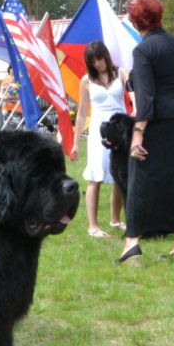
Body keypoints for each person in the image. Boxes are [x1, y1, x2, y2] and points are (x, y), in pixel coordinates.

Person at [118, 0, 174, 266]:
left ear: (136, 21)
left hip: (154, 121)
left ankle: (132, 243)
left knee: (139, 179)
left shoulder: (142, 50)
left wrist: (138, 133)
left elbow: (146, 97)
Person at [70, 40, 129, 238]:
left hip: (120, 130)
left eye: (99, 59)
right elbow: (81, 114)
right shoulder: (86, 81)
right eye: (93, 62)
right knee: (95, 178)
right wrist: (75, 143)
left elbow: (134, 92)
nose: (98, 64)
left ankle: (115, 219)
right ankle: (93, 226)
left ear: (106, 56)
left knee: (120, 176)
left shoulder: (121, 73)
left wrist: (137, 107)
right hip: (98, 132)